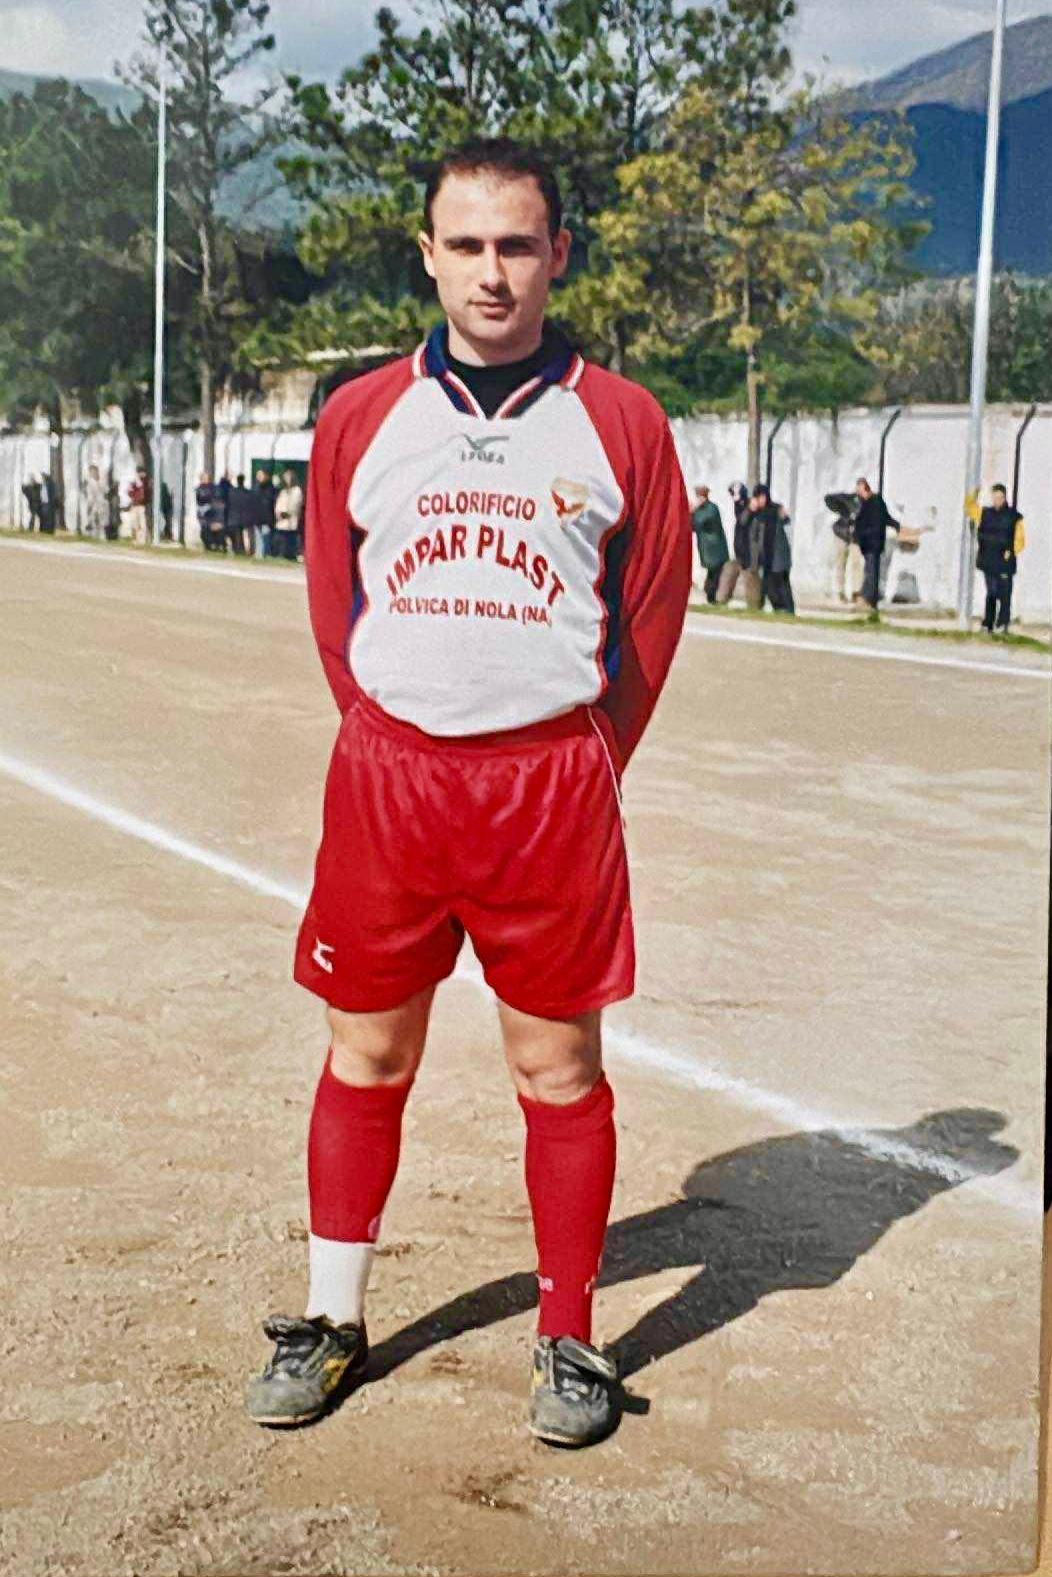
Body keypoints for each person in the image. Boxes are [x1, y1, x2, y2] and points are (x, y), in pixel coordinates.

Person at [244, 137, 691, 1450]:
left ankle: (568, 1335)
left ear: (558, 256)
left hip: (546, 791)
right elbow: (336, 604)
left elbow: (650, 614)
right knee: (365, 1052)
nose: (492, 273)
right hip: (393, 782)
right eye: (468, 245)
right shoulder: (360, 414)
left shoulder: (622, 422)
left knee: (558, 1067)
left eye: (518, 245)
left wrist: (584, 754)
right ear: (428, 255)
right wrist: (396, 728)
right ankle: (333, 1319)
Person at [970, 483, 1026, 634]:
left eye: (1000, 498)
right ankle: (988, 623)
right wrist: (974, 492)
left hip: (1005, 561)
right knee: (992, 593)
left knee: (1005, 594)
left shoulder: (1014, 516)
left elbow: (1020, 540)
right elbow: (970, 509)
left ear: (1004, 497)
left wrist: (1010, 552)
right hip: (988, 560)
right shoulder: (985, 513)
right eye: (995, 498)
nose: (997, 501)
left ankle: (1003, 623)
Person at [747, 483, 794, 614]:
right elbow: (743, 522)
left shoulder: (775, 509)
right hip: (766, 555)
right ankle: (779, 609)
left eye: (763, 496)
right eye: (758, 497)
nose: (761, 500)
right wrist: (750, 510)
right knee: (770, 586)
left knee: (782, 584)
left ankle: (788, 610)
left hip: (778, 554)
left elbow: (786, 520)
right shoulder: (755, 513)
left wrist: (784, 515)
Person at [853, 477, 898, 614]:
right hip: (869, 543)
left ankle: (868, 598)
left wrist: (896, 525)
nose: (857, 493)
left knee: (871, 572)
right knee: (870, 570)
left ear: (864, 488)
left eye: (859, 490)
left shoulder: (874, 502)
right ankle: (868, 597)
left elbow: (882, 519)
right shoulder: (867, 503)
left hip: (872, 543)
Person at [715, 482, 756, 605]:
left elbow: (743, 520)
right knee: (729, 573)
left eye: (736, 494)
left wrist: (749, 508)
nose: (734, 497)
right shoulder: (739, 505)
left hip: (748, 551)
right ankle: (721, 600)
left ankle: (754, 603)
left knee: (750, 579)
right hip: (739, 549)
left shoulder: (748, 505)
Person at [690, 485, 728, 603]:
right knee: (712, 572)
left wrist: (692, 511)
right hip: (707, 548)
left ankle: (711, 595)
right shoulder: (700, 510)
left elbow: (700, 522)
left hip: (715, 547)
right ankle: (710, 595)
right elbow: (692, 525)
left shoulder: (711, 509)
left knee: (715, 572)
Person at [273, 468, 304, 560]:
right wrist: (279, 512)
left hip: (291, 519)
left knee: (290, 539)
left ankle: (290, 555)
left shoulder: (297, 490)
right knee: (281, 538)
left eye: (288, 477)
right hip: (281, 519)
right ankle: (280, 554)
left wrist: (287, 512)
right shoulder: (283, 491)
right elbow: (279, 503)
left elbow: (295, 504)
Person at [226, 473, 256, 556]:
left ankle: (238, 550)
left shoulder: (232, 492)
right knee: (246, 535)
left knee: (237, 536)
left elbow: (229, 504)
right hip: (245, 516)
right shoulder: (248, 493)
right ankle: (247, 550)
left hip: (235, 516)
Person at [196, 473, 224, 552]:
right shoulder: (199, 489)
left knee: (214, 529)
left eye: (206, 478)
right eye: (203, 478)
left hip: (212, 511)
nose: (204, 479)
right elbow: (199, 500)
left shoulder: (212, 487)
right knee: (205, 529)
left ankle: (215, 544)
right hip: (204, 510)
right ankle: (210, 545)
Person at [253, 468, 277, 558]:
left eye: (260, 475)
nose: (258, 477)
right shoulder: (256, 487)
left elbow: (270, 502)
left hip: (266, 517)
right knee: (258, 537)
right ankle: (258, 554)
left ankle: (266, 554)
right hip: (257, 516)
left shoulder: (270, 488)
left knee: (266, 536)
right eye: (258, 475)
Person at [81, 465, 108, 539]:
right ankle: (94, 536)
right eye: (92, 472)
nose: (94, 473)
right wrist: (90, 504)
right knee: (94, 520)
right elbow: (89, 495)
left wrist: (99, 483)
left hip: (102, 504)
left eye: (95, 471)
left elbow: (106, 491)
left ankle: (101, 536)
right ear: (90, 473)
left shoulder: (102, 481)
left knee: (102, 521)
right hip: (94, 504)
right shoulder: (89, 483)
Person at [125, 468, 150, 545]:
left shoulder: (146, 482)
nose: (141, 474)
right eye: (139, 473)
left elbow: (145, 493)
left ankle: (143, 539)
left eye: (142, 473)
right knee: (135, 523)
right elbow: (129, 492)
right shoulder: (134, 483)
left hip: (142, 505)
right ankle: (137, 539)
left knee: (143, 523)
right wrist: (134, 496)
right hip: (135, 505)